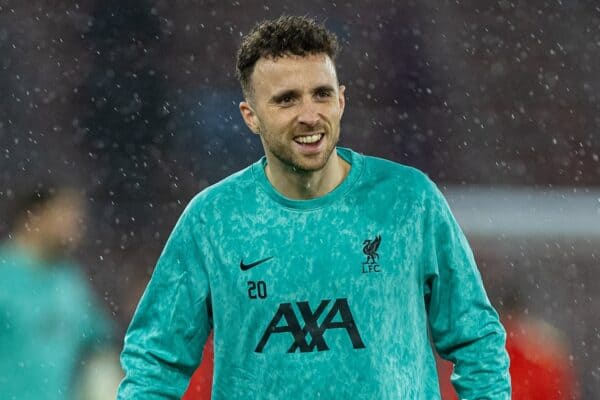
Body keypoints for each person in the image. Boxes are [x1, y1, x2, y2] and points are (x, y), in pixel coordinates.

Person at [117, 16, 510, 399]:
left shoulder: (408, 201)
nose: (309, 115)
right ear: (250, 116)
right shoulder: (213, 220)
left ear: (341, 100)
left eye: (321, 94)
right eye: (287, 100)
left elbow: (476, 339)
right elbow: (153, 363)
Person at [0, 186, 120, 399]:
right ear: (34, 216)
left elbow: (100, 345)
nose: (75, 226)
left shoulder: (70, 281)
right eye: (64, 215)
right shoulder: (5, 277)